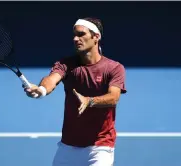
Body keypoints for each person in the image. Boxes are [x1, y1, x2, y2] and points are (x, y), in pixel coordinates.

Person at [24, 17, 127, 166]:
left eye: (81, 34)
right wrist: (41, 90)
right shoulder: (66, 64)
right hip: (68, 146)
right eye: (74, 35)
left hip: (100, 147)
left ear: (96, 37)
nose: (75, 39)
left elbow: (114, 97)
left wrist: (89, 101)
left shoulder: (114, 68)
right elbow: (52, 79)